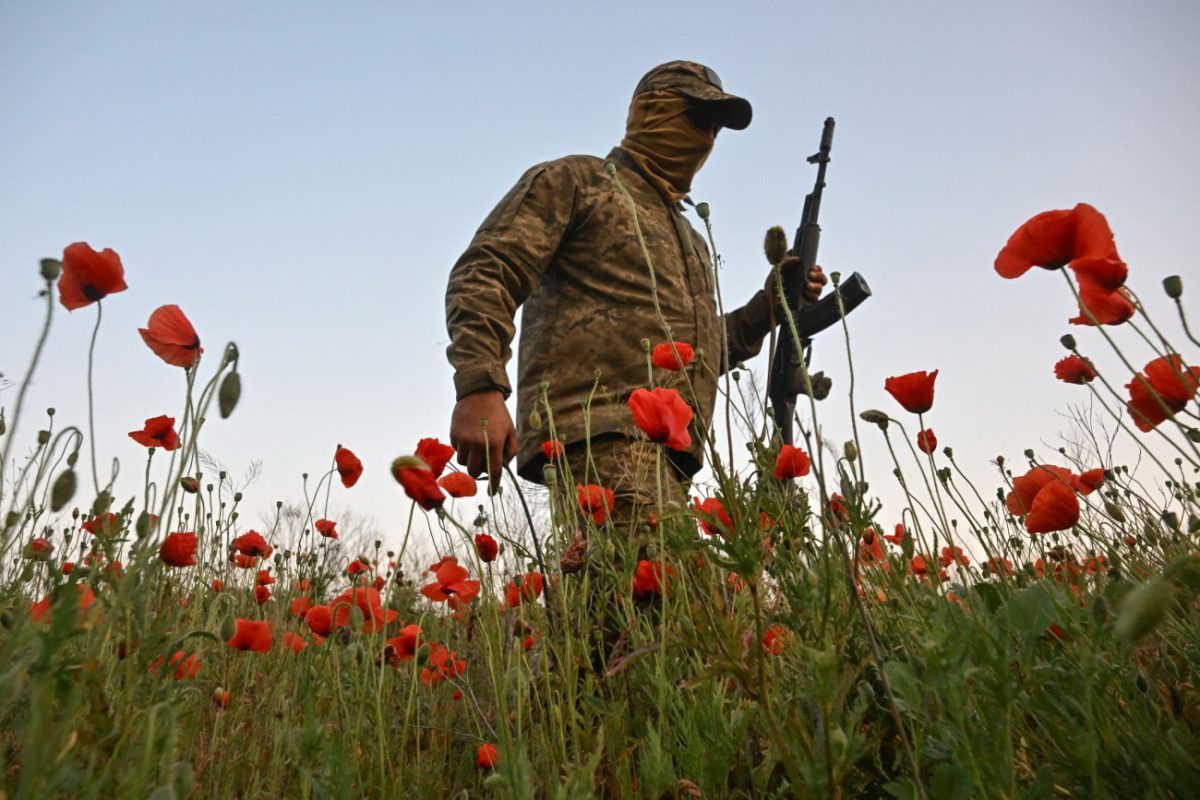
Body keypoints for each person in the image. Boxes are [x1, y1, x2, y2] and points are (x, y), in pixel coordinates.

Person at [444, 60, 825, 534]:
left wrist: (766, 308)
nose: (706, 138)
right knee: (653, 598)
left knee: (654, 603)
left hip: (669, 454)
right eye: (695, 118)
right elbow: (487, 271)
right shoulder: (580, 182)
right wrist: (480, 387)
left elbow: (690, 355)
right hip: (601, 434)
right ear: (651, 110)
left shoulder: (689, 237)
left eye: (714, 128)